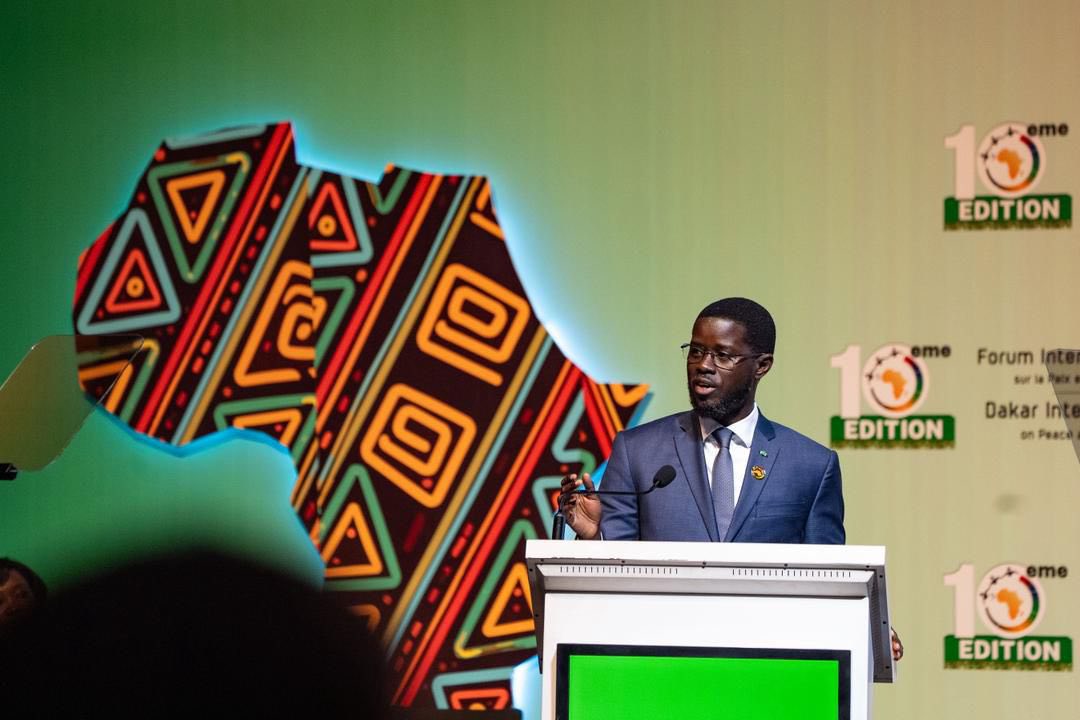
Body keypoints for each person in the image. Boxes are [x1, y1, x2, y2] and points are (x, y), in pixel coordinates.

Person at [559, 297, 903, 661]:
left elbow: (828, 582)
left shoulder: (811, 465)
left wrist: (863, 628)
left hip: (765, 668)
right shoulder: (638, 451)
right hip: (659, 662)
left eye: (723, 355)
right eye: (695, 352)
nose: (703, 366)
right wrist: (596, 538)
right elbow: (615, 579)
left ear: (762, 365)